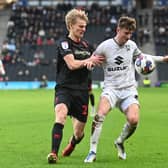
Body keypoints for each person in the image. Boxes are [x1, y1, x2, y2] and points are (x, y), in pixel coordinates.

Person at [84, 16, 168, 163]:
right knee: (99, 115)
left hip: (129, 90)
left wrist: (162, 59)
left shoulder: (132, 45)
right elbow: (92, 59)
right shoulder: (105, 46)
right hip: (111, 89)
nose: (128, 37)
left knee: (134, 119)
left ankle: (120, 142)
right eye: (125, 33)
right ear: (118, 30)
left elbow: (143, 57)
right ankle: (92, 151)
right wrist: (91, 63)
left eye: (130, 34)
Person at [47, 8, 105, 164]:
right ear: (71, 26)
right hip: (65, 88)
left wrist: (91, 64)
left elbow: (92, 64)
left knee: (79, 133)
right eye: (80, 26)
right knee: (60, 115)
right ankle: (53, 153)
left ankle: (73, 142)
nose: (83, 29)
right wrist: (88, 61)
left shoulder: (87, 46)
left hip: (82, 91)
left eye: (85, 27)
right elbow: (71, 64)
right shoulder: (64, 44)